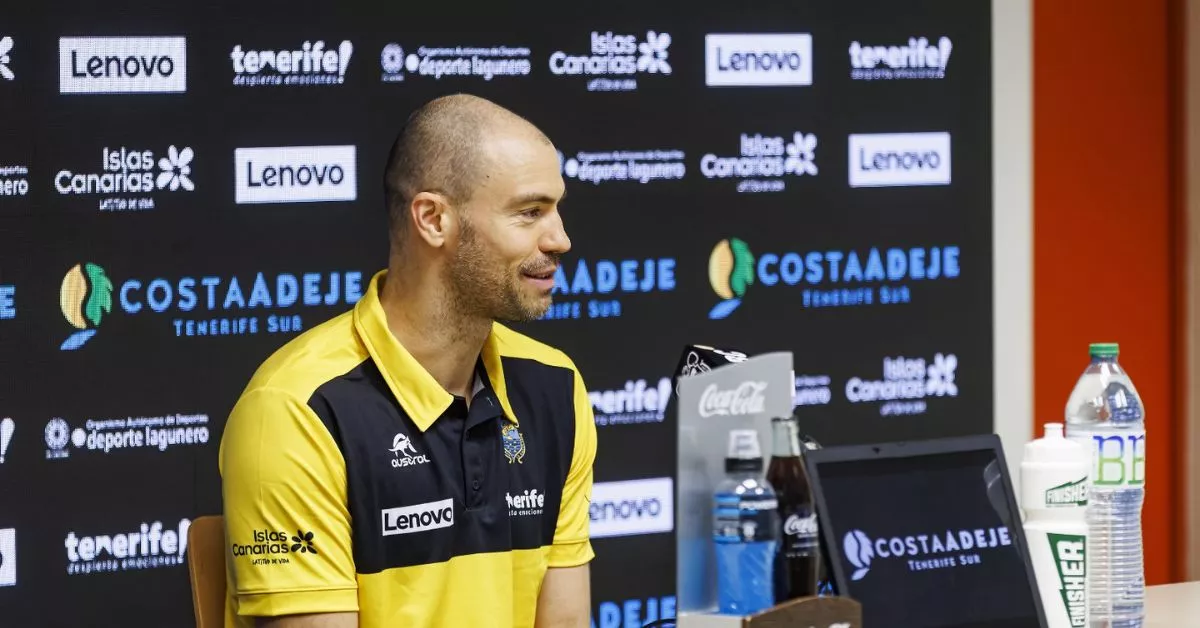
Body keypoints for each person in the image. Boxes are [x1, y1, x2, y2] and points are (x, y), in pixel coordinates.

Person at [219, 94, 596, 628]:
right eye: (529, 212)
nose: (560, 239)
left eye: (556, 211)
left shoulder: (554, 385)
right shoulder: (297, 410)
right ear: (433, 219)